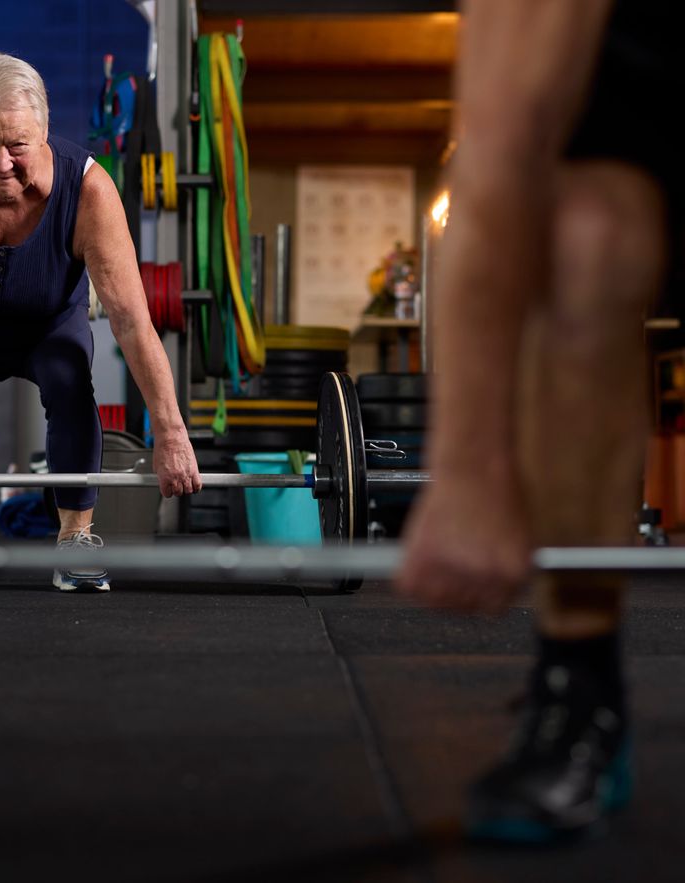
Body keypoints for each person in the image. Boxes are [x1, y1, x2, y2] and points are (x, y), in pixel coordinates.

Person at [398, 0, 681, 843]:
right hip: (638, 113)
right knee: (579, 234)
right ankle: (578, 686)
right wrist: (471, 474)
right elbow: (496, 156)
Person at [0, 51, 202, 592]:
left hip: (49, 326)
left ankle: (74, 540)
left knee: (71, 379)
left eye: (17, 146)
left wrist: (170, 431)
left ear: (45, 133)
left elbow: (131, 321)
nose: (1, 163)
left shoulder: (88, 191)